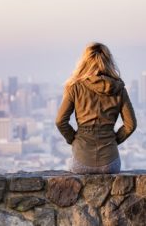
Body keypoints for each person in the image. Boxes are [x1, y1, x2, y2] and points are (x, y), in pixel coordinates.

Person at [55, 42, 137, 174]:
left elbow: (60, 121)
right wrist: (113, 140)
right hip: (110, 163)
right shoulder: (119, 89)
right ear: (109, 61)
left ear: (85, 62)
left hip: (81, 161)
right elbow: (130, 125)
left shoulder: (75, 87)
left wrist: (74, 139)